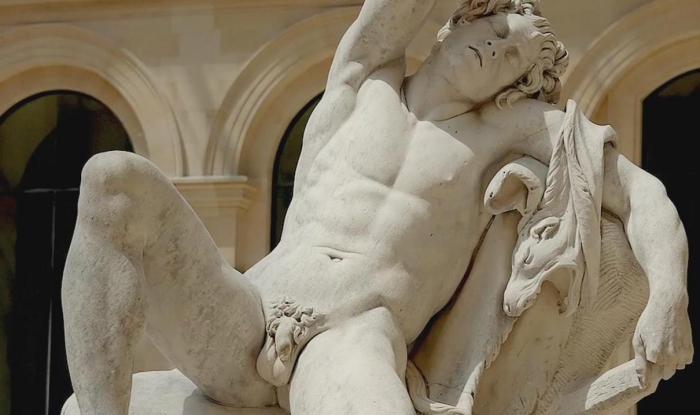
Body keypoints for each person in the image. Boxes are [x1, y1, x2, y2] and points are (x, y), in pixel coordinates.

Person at [61, 1, 693, 414]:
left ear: (513, 89)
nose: (497, 51)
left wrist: (668, 295)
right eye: (495, 32)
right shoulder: (363, 80)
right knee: (113, 178)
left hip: (352, 337)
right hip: (245, 313)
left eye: (512, 60)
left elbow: (643, 195)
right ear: (459, 20)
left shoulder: (505, 133)